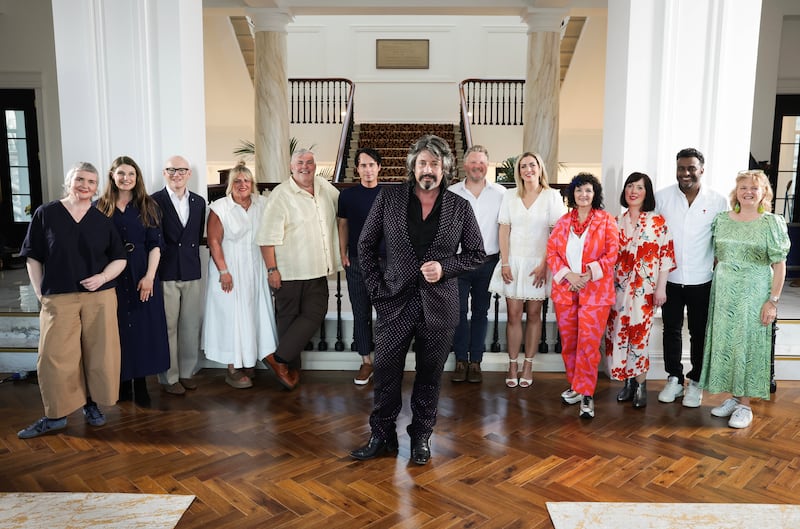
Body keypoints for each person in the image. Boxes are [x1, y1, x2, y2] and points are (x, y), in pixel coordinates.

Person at [350, 135, 485, 465]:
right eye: (423, 162)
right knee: (385, 373)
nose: (428, 169)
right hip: (394, 303)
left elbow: (477, 253)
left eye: (435, 164)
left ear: (445, 169)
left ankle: (422, 435)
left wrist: (446, 266)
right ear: (413, 165)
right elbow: (365, 246)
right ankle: (382, 436)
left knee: (429, 376)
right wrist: (378, 292)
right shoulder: (390, 197)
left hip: (439, 307)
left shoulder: (459, 207)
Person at [17, 162, 127, 438]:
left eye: (91, 181)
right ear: (69, 181)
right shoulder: (47, 214)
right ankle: (55, 415)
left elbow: (120, 258)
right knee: (54, 357)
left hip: (99, 298)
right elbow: (33, 256)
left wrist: (102, 277)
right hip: (58, 296)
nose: (85, 186)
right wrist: (40, 293)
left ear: (96, 187)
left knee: (99, 354)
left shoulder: (103, 220)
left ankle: (91, 405)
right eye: (80, 179)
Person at [700, 170, 789, 429]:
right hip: (725, 294)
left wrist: (772, 301)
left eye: (754, 188)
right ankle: (732, 398)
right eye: (743, 187)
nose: (748, 192)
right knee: (727, 345)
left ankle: (745, 405)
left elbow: (780, 265)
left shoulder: (771, 223)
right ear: (735, 192)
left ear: (763, 193)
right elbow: (716, 256)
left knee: (747, 345)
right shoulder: (722, 220)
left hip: (755, 293)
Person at [257, 149, 341, 390]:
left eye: (310, 162)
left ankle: (278, 359)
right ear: (291, 167)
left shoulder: (324, 187)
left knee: (316, 312)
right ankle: (290, 371)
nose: (306, 166)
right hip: (289, 271)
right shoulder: (281, 195)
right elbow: (266, 238)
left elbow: (343, 205)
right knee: (288, 321)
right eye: (300, 163)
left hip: (317, 268)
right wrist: (272, 269)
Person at [656, 148, 727, 407]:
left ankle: (696, 381)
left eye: (691, 168)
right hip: (670, 280)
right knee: (671, 330)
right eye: (681, 168)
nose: (685, 173)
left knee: (699, 332)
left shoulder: (718, 200)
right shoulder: (662, 197)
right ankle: (674, 378)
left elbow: (721, 241)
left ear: (701, 170)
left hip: (702, 279)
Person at [97, 156, 170, 407]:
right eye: (121, 174)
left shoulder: (148, 205)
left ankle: (141, 385)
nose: (126, 178)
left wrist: (149, 277)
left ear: (137, 177)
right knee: (117, 329)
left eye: (131, 174)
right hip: (113, 273)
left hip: (141, 270)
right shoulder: (100, 206)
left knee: (143, 328)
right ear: (112, 177)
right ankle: (121, 383)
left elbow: (155, 246)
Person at [488, 152, 566, 388]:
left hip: (539, 263)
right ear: (518, 171)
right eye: (523, 166)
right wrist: (505, 262)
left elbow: (557, 233)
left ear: (540, 168)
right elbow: (503, 230)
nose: (528, 169)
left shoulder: (552, 196)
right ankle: (512, 364)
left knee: (534, 315)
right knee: (513, 314)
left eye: (532, 165)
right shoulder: (510, 195)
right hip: (513, 262)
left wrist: (545, 264)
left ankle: (528, 364)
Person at [547, 173, 618, 419]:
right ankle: (576, 386)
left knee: (588, 343)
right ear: (572, 195)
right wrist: (569, 276)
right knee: (569, 342)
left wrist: (587, 275)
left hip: (595, 292)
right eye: (578, 191)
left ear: (595, 194)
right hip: (566, 290)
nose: (583, 195)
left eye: (588, 190)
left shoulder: (607, 221)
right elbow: (552, 253)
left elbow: (611, 254)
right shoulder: (563, 221)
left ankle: (586, 394)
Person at [604, 172, 676, 408]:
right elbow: (608, 259)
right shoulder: (615, 221)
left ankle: (641, 385)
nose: (633, 191)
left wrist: (661, 289)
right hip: (618, 291)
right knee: (619, 335)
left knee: (639, 338)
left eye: (639, 187)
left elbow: (665, 257)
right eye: (630, 186)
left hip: (645, 291)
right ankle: (627, 383)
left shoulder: (657, 222)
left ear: (647, 193)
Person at [204, 162, 277, 388]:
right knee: (231, 315)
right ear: (230, 185)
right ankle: (232, 367)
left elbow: (272, 234)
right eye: (237, 181)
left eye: (246, 180)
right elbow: (214, 241)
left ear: (252, 184)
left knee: (254, 312)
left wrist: (271, 268)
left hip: (255, 266)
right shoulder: (220, 207)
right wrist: (224, 271)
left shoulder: (262, 204)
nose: (242, 184)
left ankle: (249, 360)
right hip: (230, 268)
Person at [448, 145, 506, 383]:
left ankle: (476, 362)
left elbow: (506, 228)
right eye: (473, 162)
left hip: (488, 262)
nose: (477, 166)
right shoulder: (451, 193)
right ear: (465, 165)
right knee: (458, 312)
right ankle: (461, 360)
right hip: (459, 262)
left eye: (481, 162)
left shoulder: (501, 193)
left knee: (481, 312)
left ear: (487, 165)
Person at [152, 155, 207, 395]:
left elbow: (195, 237)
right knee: (168, 327)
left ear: (189, 173)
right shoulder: (154, 201)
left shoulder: (199, 202)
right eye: (171, 170)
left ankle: (186, 372)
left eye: (182, 170)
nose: (177, 174)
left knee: (190, 325)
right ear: (164, 173)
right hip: (165, 272)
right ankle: (169, 377)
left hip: (192, 271)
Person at [338, 147, 383, 385]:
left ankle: (386, 360)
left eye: (371, 165)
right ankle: (366, 362)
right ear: (357, 169)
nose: (367, 169)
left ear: (379, 168)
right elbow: (343, 225)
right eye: (363, 165)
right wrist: (342, 252)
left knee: (387, 313)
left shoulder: (389, 195)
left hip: (385, 263)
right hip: (356, 262)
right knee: (360, 313)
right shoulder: (347, 196)